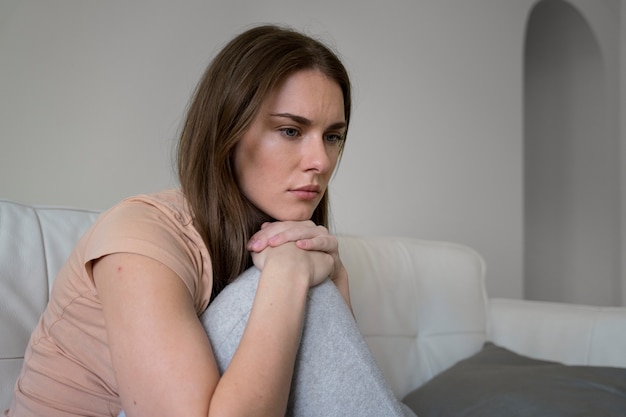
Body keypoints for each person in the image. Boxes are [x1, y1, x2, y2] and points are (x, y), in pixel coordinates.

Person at [4, 24, 415, 417]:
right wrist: (288, 273)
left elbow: (340, 386)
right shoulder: (141, 234)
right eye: (291, 131)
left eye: (332, 136)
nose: (321, 161)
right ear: (227, 132)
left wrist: (334, 276)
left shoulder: (276, 235)